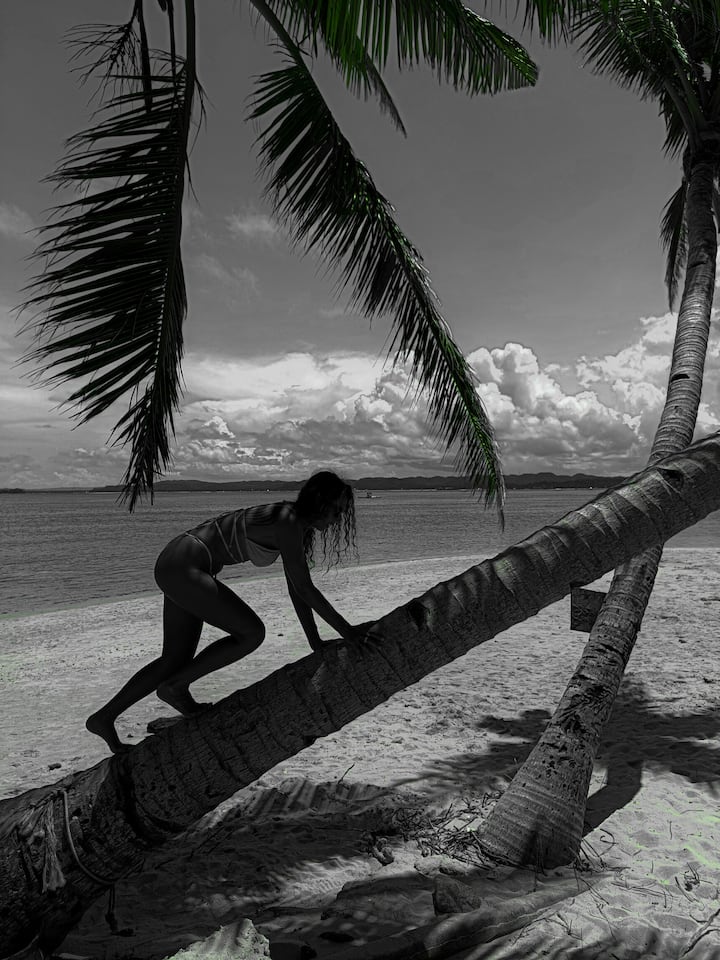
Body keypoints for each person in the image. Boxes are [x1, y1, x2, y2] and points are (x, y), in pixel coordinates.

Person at [86, 470, 375, 754]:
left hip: (177, 561)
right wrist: (347, 631)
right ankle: (176, 686)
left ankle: (104, 718)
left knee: (174, 659)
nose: (338, 519)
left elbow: (296, 590)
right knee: (251, 633)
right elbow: (305, 588)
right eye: (336, 511)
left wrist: (315, 642)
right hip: (185, 565)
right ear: (320, 503)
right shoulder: (287, 521)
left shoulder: (294, 524)